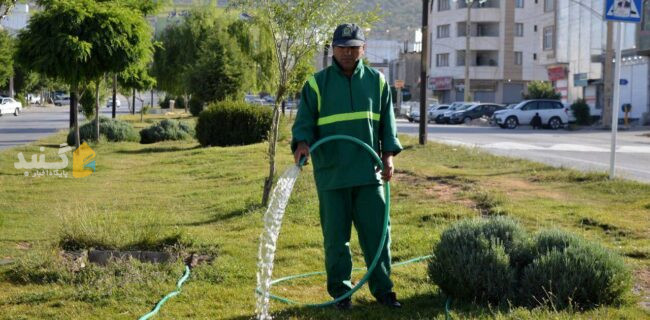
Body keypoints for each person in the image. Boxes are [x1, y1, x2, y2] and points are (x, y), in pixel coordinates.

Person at [291, 23, 403, 310]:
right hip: (332, 175)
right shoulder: (316, 84)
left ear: (363, 49)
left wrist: (388, 156)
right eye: (342, 47)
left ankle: (384, 291)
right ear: (332, 50)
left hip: (369, 174)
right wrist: (302, 144)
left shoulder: (377, 82)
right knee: (336, 240)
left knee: (378, 235)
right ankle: (341, 293)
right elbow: (304, 123)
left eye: (354, 47)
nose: (347, 53)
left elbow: (387, 127)